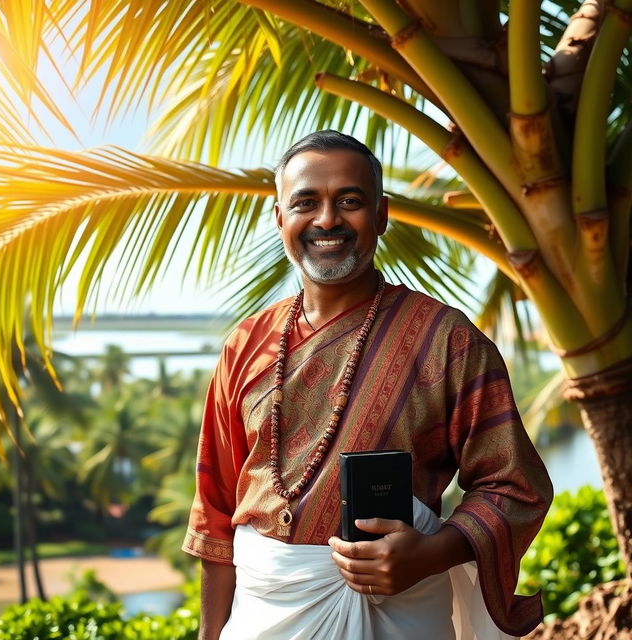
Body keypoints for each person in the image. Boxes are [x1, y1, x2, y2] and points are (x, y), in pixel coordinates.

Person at [183, 130, 553, 640]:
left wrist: (430, 555)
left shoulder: (446, 340)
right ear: (280, 219)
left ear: (381, 215)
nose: (328, 219)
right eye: (306, 202)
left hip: (399, 615)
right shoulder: (246, 344)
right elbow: (216, 513)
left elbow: (515, 486)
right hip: (262, 615)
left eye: (350, 201)